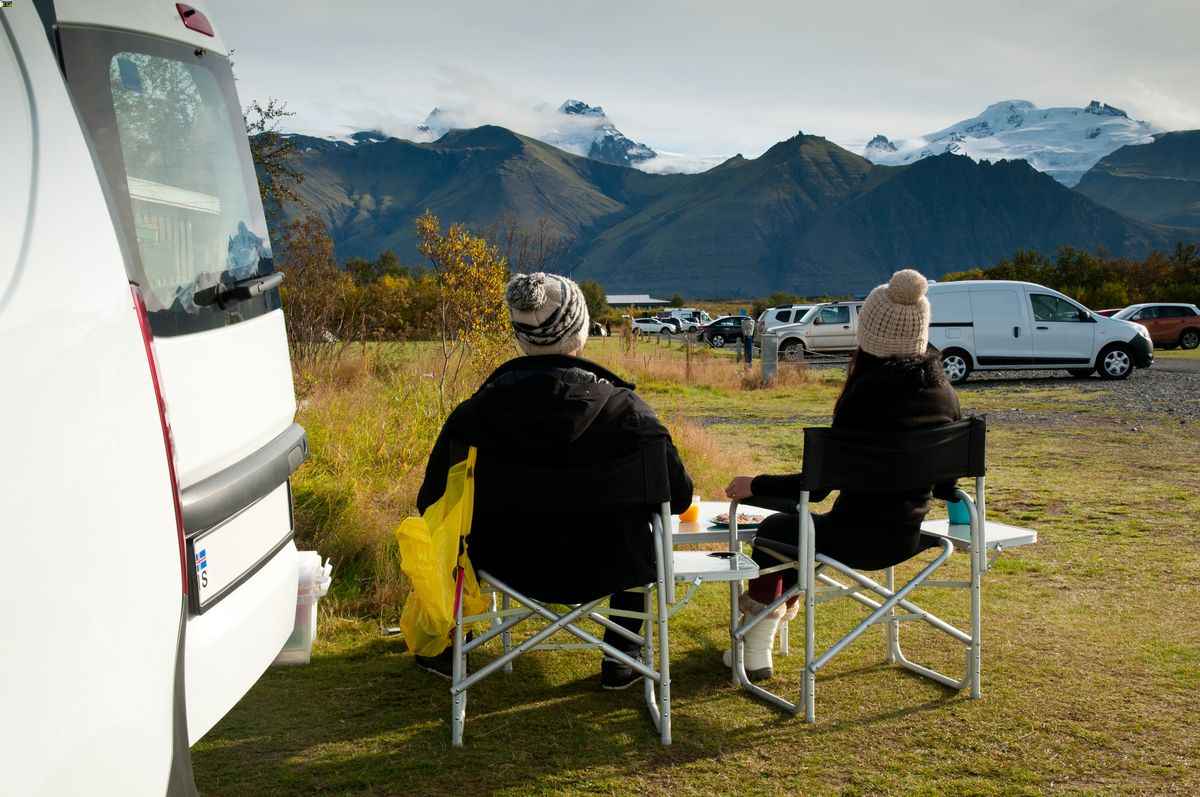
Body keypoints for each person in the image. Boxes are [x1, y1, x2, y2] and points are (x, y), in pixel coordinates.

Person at [415, 272, 694, 689]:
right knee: (638, 527)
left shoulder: (473, 416)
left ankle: (459, 641)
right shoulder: (631, 415)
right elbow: (678, 495)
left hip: (505, 564)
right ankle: (623, 652)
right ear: (581, 333)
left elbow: (431, 500)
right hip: (610, 567)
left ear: (520, 338)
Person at [722, 269, 961, 681]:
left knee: (777, 532)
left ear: (868, 333)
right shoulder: (945, 394)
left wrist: (755, 485)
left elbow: (815, 490)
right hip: (906, 538)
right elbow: (947, 485)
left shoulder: (863, 398)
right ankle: (753, 645)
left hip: (851, 538)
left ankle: (756, 648)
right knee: (797, 536)